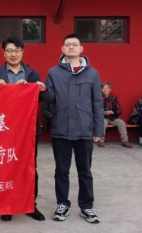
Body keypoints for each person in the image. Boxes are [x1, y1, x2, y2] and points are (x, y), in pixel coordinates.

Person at [42, 34, 103, 224]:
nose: (71, 47)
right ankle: (62, 204)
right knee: (61, 171)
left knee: (85, 171)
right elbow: (50, 99)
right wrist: (44, 90)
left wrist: (98, 130)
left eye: (74, 44)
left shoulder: (92, 74)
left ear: (81, 49)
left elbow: (97, 103)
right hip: (61, 129)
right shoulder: (53, 72)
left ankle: (87, 206)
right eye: (67, 44)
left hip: (84, 130)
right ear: (62, 49)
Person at [0, 37, 46, 222]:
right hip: (4, 129)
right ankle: (7, 205)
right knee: (6, 167)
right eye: (9, 50)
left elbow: (41, 99)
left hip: (28, 130)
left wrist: (40, 89)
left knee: (29, 167)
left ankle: (30, 204)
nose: (13, 54)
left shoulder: (32, 73)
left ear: (22, 52)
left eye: (17, 50)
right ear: (3, 53)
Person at [99, 83, 132, 148]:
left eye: (107, 88)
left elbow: (120, 110)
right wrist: (105, 112)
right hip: (103, 117)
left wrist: (113, 112)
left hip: (113, 118)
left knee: (121, 123)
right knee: (102, 123)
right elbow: (96, 111)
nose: (105, 90)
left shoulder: (114, 99)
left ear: (110, 90)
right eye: (103, 88)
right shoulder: (99, 99)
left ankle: (125, 141)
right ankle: (101, 141)